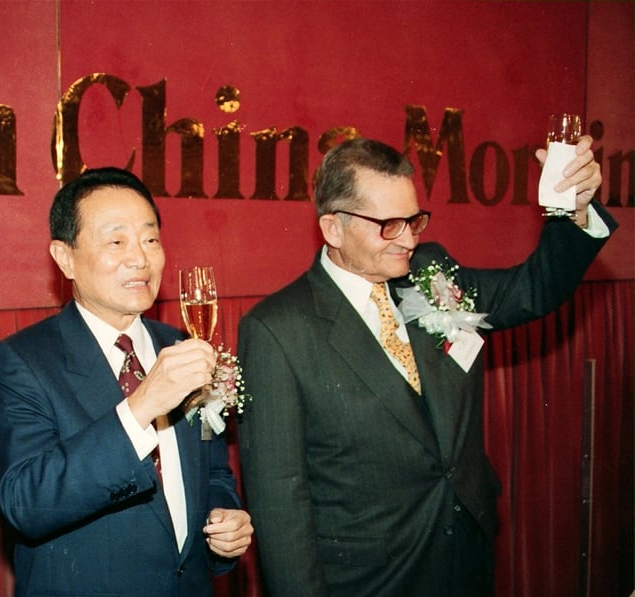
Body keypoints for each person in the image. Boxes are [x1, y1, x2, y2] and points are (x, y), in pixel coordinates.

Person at [237, 136, 615, 596]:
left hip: (465, 561)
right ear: (333, 228)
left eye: (414, 220)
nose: (409, 239)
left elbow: (531, 289)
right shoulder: (278, 329)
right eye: (389, 225)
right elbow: (280, 501)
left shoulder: (430, 271)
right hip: (370, 582)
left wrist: (574, 214)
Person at [0, 167, 253, 596]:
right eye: (116, 241)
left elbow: (213, 472)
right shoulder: (21, 361)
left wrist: (226, 521)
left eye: (150, 240)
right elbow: (25, 505)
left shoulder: (179, 346)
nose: (140, 259)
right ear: (64, 257)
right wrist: (141, 405)